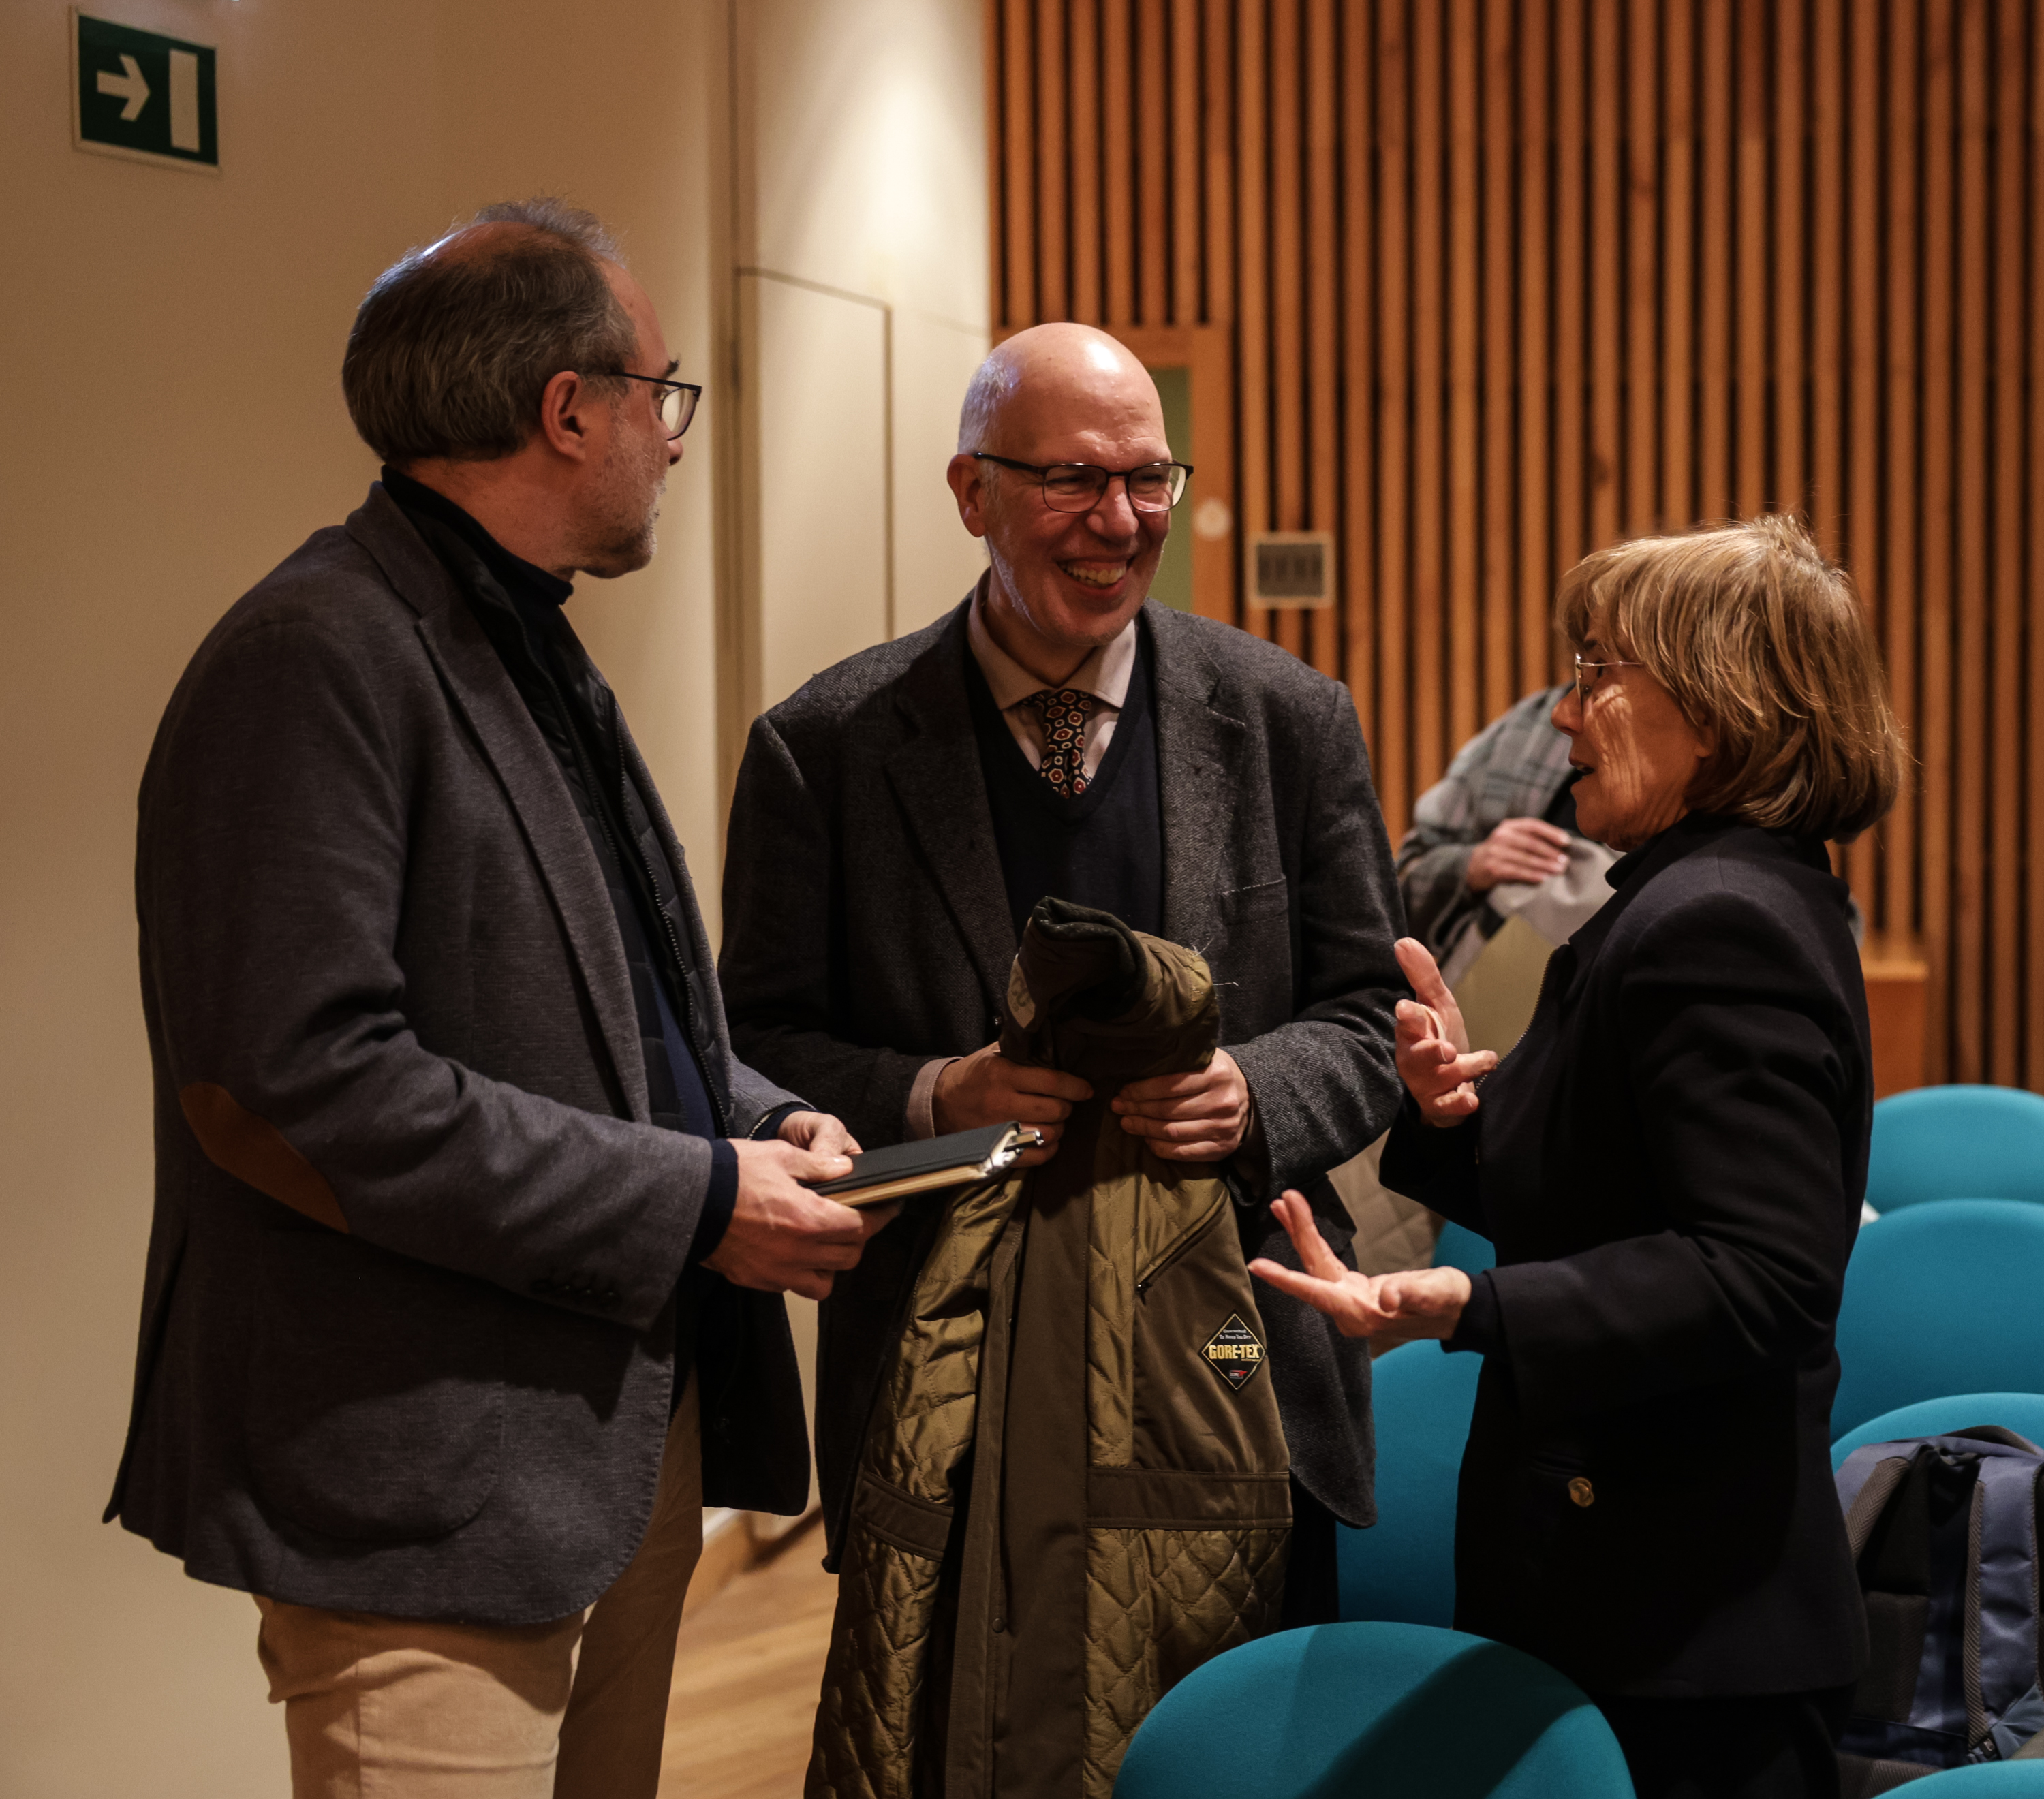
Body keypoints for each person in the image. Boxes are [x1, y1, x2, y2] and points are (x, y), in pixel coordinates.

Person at [107, 199, 889, 1799]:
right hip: (427, 1483)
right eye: (663, 396)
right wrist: (695, 1199)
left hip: (601, 1445)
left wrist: (757, 1118)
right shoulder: (315, 654)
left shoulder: (514, 637)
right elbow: (296, 1084)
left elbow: (606, 1005)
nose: (675, 441)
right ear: (569, 408)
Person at [717, 324, 1408, 1764]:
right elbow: (757, 1039)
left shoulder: (1289, 721)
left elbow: (1369, 1020)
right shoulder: (825, 747)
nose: (1122, 522)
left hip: (1238, 1364)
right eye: (1075, 481)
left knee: (1234, 1760)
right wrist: (930, 1091)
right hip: (945, 1371)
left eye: (1150, 479)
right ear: (971, 491)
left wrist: (1250, 1089)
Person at [1251, 514, 1904, 1799]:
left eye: (1601, 671)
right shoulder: (1718, 887)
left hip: (1685, 1638)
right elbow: (1626, 1200)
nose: (1565, 716)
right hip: (1653, 1598)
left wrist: (1469, 1299)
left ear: (1715, 713)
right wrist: (1460, 1126)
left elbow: (1763, 1276)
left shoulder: (1715, 919)